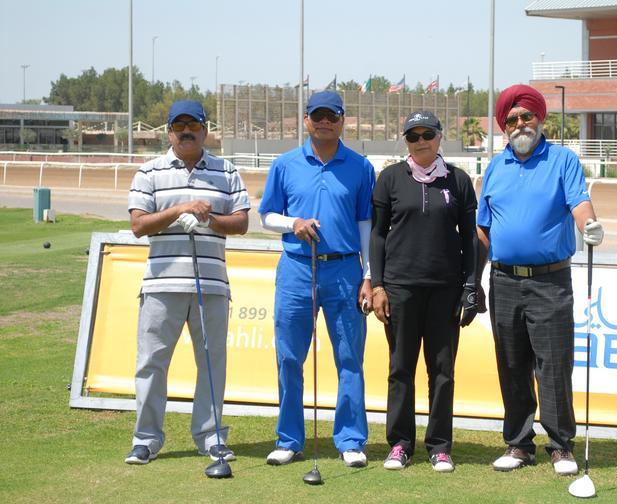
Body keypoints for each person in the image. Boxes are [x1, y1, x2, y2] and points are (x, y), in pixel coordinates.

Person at [476, 84, 604, 476]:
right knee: (511, 363)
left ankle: (561, 445)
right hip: (504, 280)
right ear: (504, 126)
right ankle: (519, 444)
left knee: (553, 364)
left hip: (550, 281)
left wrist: (589, 225)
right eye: (512, 119)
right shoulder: (496, 167)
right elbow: (483, 228)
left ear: (539, 118)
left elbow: (579, 203)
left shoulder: (562, 159)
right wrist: (472, 281)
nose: (520, 124)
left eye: (526, 116)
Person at [124, 100, 250, 465]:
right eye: (178, 126)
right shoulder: (149, 171)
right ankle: (146, 439)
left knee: (212, 364)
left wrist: (209, 219)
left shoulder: (227, 171)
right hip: (161, 285)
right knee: (152, 363)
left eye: (193, 125)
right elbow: (139, 225)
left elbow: (241, 223)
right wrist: (180, 209)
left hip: (211, 285)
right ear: (169, 132)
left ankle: (211, 437)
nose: (186, 132)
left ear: (205, 130)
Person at [259, 90, 375, 468]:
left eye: (332, 116)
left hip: (344, 270)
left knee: (349, 358)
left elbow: (365, 225)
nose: (324, 122)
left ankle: (351, 440)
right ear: (306, 120)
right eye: (317, 115)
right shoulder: (285, 164)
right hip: (296, 267)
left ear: (342, 121)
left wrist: (368, 275)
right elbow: (266, 216)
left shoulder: (360, 167)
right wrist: (293, 223)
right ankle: (289, 439)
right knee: (289, 357)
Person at [370, 111, 482, 473]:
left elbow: (470, 238)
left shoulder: (458, 180)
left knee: (442, 371)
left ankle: (440, 446)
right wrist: (379, 284)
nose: (421, 142)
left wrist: (470, 284)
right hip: (400, 289)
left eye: (427, 135)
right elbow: (378, 235)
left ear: (439, 137)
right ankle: (400, 444)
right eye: (413, 136)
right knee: (401, 368)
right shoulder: (390, 178)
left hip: (445, 291)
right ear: (406, 141)